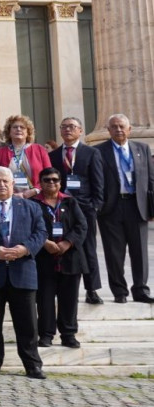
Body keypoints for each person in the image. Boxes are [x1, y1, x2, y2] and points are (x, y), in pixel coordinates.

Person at [0, 167, 47, 378]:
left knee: (28, 324)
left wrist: (25, 248)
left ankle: (32, 364)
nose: (2, 185)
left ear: (13, 184)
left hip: (22, 272)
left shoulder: (31, 208)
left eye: (5, 181)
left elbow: (41, 233)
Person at [48, 117, 106, 305]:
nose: (67, 130)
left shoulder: (91, 153)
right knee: (61, 245)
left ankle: (92, 290)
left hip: (85, 207)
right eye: (63, 127)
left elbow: (98, 182)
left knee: (88, 248)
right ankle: (59, 287)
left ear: (80, 130)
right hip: (60, 207)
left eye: (72, 127)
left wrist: (95, 206)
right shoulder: (54, 155)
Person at [98, 114, 152, 304]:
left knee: (140, 252)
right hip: (111, 208)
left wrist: (152, 208)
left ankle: (141, 290)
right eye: (114, 127)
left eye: (122, 126)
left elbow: (151, 180)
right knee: (114, 252)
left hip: (137, 206)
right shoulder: (98, 151)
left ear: (129, 129)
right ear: (109, 130)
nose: (118, 130)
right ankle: (119, 291)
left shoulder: (142, 149)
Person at [32, 167, 87, 348]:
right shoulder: (33, 203)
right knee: (45, 300)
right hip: (44, 259)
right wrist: (44, 242)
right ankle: (46, 334)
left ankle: (68, 334)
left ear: (60, 182)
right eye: (47, 180)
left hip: (70, 259)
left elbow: (81, 226)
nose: (51, 183)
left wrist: (68, 243)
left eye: (55, 180)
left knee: (69, 300)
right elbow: (27, 228)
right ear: (40, 183)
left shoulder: (70, 202)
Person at [0, 114, 50, 195]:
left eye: (22, 127)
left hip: (36, 197)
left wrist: (34, 191)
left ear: (28, 132)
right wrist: (11, 194)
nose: (18, 129)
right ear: (9, 132)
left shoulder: (39, 150)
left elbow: (49, 175)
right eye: (15, 127)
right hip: (9, 198)